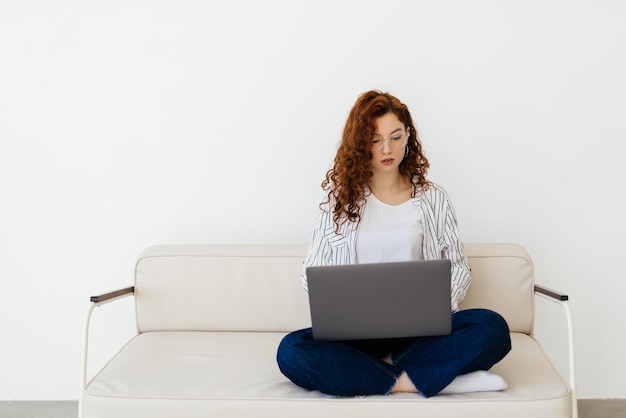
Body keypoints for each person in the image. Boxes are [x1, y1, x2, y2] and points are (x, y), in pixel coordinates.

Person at [276, 90, 512, 398]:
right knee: (291, 351)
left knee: (492, 327)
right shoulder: (340, 201)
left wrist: (437, 311)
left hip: (420, 335)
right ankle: (422, 380)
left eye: (396, 137)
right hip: (356, 338)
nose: (387, 148)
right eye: (375, 140)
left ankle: (377, 371)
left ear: (408, 137)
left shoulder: (433, 198)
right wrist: (340, 313)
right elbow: (313, 272)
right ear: (361, 143)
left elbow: (459, 268)